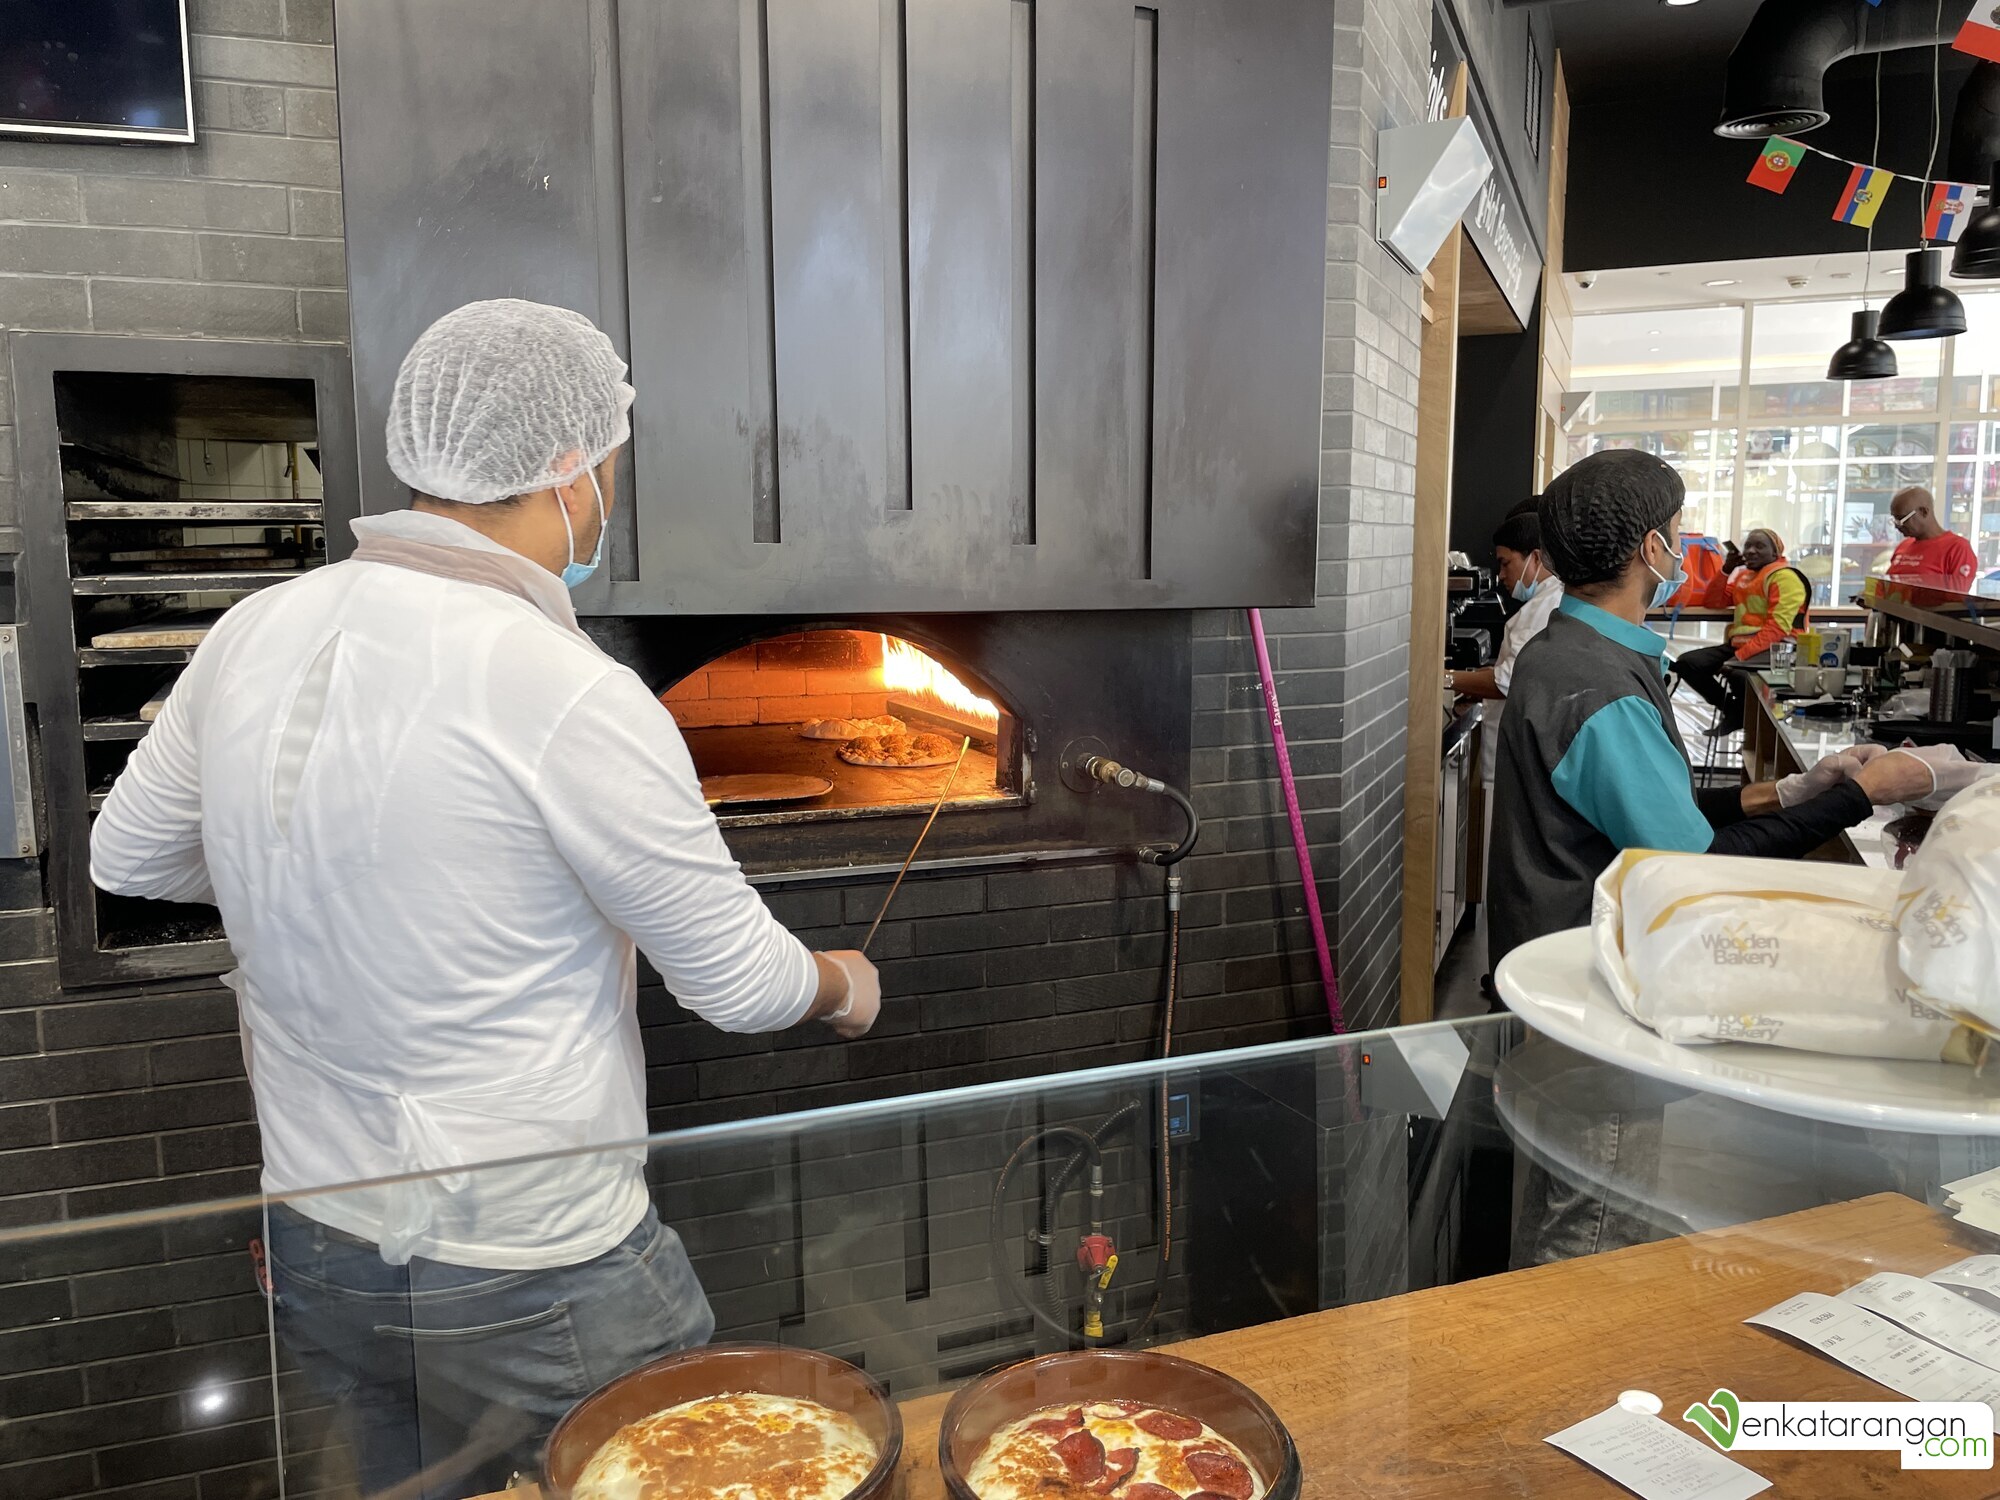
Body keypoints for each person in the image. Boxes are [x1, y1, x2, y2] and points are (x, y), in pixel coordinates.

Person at [90, 300, 884, 1496]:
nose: (608, 497)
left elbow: (134, 857)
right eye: (610, 464)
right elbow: (737, 984)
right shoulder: (565, 688)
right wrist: (841, 986)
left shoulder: (256, 628)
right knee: (685, 1473)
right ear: (566, 466)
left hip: (318, 1232)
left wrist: (339, 876)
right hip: (533, 1257)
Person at [1487, 450, 1967, 1266]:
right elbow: (1695, 863)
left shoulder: (1567, 648)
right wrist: (1862, 794)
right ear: (1650, 548)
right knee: (1590, 1228)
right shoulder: (1600, 687)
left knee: (1570, 1191)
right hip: (1592, 988)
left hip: (1556, 965)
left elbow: (1646, 807)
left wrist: (1792, 791)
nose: (1683, 550)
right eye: (1676, 533)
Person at [1670, 526, 1808, 733]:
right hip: (1741, 646)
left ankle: (1752, 724)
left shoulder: (1785, 578)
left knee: (1737, 674)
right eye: (1747, 546)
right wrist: (1726, 570)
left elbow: (1777, 629)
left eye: (1759, 546)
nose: (1751, 551)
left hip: (1779, 649)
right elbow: (1713, 601)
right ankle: (1733, 712)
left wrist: (1739, 657)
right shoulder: (1745, 576)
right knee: (1688, 663)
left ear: (1775, 553)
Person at [1445, 507, 1564, 716]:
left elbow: (1506, 682)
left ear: (1536, 558)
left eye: (1505, 563)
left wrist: (1445, 678)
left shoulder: (1541, 610)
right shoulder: (1552, 599)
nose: (1501, 575)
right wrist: (1478, 678)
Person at [1887, 486, 1980, 584]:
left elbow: (1957, 593)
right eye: (1895, 519)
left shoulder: (1957, 549)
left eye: (1901, 519)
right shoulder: (1904, 546)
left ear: (1923, 512)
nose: (1897, 525)